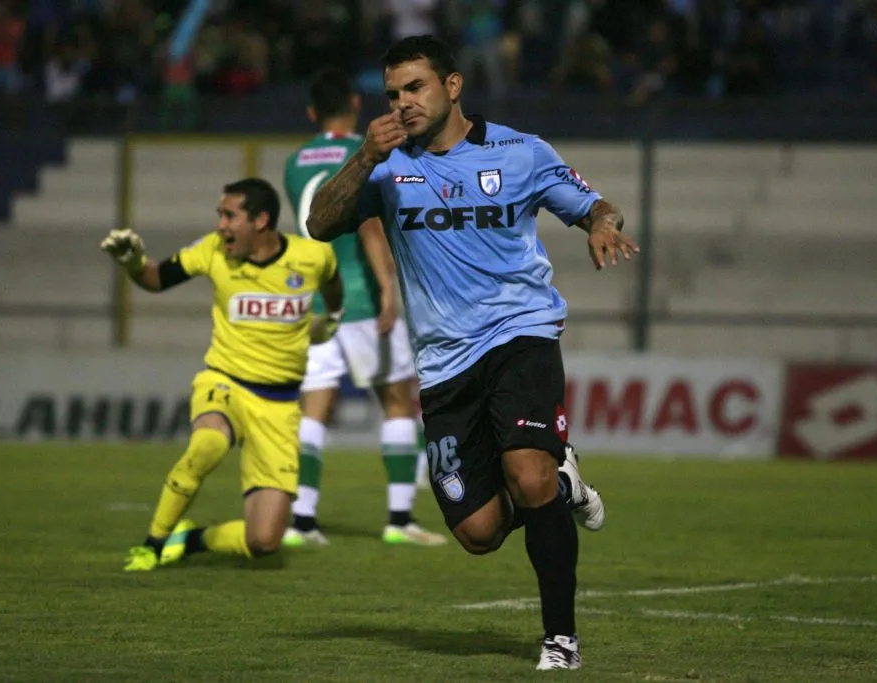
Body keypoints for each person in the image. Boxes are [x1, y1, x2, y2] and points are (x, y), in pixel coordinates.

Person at [306, 35, 635, 671]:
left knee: (527, 473)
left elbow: (595, 204)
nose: (402, 103)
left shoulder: (521, 151)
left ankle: (560, 640)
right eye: (393, 93)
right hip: (443, 363)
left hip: (521, 334)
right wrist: (362, 155)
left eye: (415, 88)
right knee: (480, 532)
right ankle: (563, 482)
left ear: (453, 85)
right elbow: (321, 222)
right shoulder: (384, 164)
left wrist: (600, 223)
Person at [100, 178, 344, 572]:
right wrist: (131, 263)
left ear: (261, 220)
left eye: (230, 216)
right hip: (225, 382)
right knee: (209, 443)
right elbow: (156, 278)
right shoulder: (213, 251)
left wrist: (331, 318)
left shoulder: (312, 256)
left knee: (264, 541)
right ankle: (151, 544)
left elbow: (333, 285)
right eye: (220, 215)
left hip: (279, 407)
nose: (221, 225)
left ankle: (191, 539)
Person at [282, 67, 445, 548]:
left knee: (313, 410)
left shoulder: (295, 162)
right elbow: (370, 226)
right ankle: (399, 520)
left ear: (312, 113)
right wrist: (388, 291)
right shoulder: (370, 153)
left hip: (313, 303)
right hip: (362, 300)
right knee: (396, 402)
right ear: (354, 104)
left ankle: (302, 523)